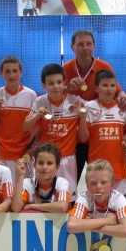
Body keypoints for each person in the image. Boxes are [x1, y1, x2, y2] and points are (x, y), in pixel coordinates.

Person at [62, 30, 126, 183]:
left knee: (100, 181)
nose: (85, 48)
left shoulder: (104, 66)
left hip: (98, 136)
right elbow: (55, 96)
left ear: (94, 46)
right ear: (72, 47)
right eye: (80, 44)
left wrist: (125, 100)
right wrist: (67, 89)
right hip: (74, 137)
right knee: (70, 182)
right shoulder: (66, 68)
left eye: (88, 44)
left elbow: (118, 91)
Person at [24, 63, 84, 201]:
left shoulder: (75, 101)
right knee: (42, 198)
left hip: (67, 159)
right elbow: (26, 127)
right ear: (43, 85)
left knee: (67, 200)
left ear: (64, 83)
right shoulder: (40, 102)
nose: (56, 86)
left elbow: (94, 108)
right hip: (45, 160)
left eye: (59, 82)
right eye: (51, 83)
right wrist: (36, 115)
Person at [78, 70, 126, 197]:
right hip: (97, 169)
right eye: (105, 85)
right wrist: (82, 118)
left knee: (120, 205)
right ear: (96, 88)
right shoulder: (89, 107)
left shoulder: (122, 107)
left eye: (112, 85)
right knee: (98, 203)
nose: (109, 89)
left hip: (119, 168)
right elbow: (83, 138)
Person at [0, 56, 37, 180]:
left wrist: (31, 150)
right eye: (7, 71)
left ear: (21, 72)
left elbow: (36, 127)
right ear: (1, 73)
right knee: (3, 189)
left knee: (23, 189)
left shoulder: (31, 95)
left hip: (23, 153)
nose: (11, 75)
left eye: (15, 71)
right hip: (1, 153)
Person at [68, 160, 126, 238]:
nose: (98, 187)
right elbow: (71, 226)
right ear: (87, 186)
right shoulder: (84, 197)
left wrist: (90, 225)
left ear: (112, 184)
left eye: (103, 182)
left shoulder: (117, 198)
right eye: (93, 183)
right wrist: (107, 220)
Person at [11, 142, 70, 213]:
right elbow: (16, 208)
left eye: (49, 163)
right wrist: (21, 176)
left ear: (57, 166)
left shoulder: (61, 182)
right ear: (34, 164)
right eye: (41, 163)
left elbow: (63, 207)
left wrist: (32, 206)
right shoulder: (28, 183)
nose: (44, 167)